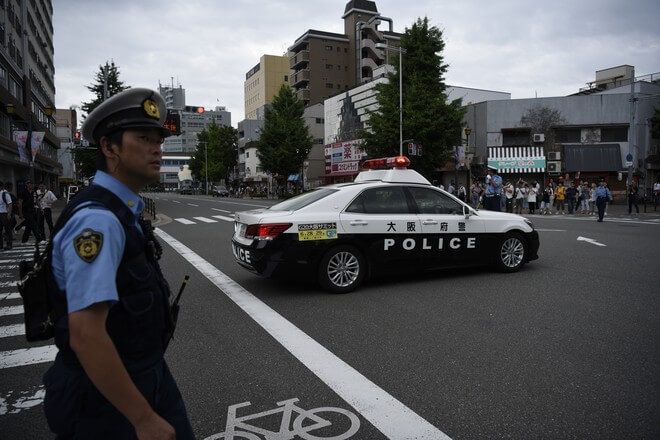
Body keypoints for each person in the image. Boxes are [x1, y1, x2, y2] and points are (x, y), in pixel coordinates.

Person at [42, 88, 194, 439]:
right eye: (143, 138)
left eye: (159, 138)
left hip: (143, 373)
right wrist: (142, 418)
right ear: (109, 148)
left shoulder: (122, 210)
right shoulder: (99, 221)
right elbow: (86, 334)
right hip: (105, 400)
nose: (157, 148)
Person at [0, 181, 13, 250]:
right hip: (0, 213)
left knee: (7, 229)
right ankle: (0, 245)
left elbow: (10, 204)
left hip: (5, 213)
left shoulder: (5, 193)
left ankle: (9, 244)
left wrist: (9, 214)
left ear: (1, 187)